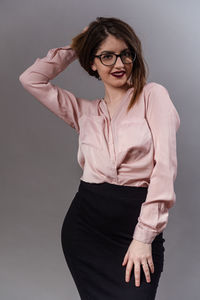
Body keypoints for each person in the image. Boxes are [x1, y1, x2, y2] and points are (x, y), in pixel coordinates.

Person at [19, 16, 180, 300]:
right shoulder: (84, 112)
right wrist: (75, 47)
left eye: (125, 54)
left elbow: (164, 170)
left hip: (136, 227)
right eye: (107, 56)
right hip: (86, 229)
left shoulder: (154, 97)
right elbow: (31, 79)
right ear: (91, 62)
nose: (119, 64)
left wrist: (143, 238)